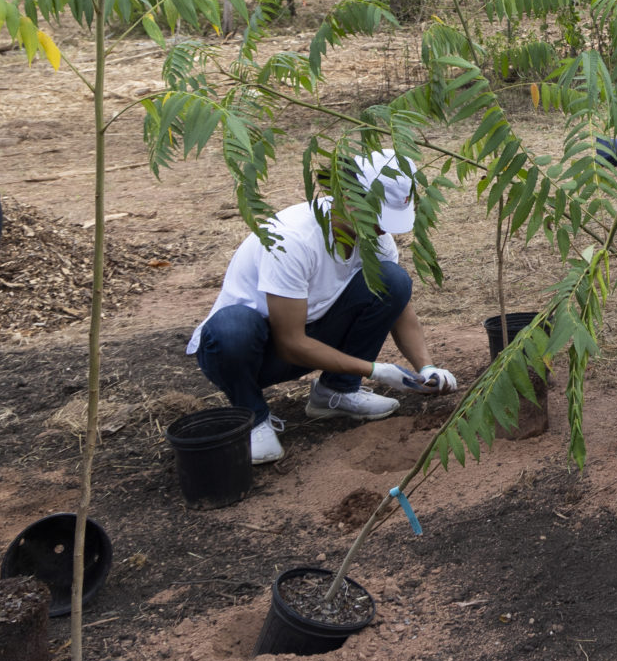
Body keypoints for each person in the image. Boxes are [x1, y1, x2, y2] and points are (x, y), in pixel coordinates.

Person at [186, 151, 459, 464]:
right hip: (250, 353)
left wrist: (426, 367)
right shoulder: (292, 240)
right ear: (346, 197)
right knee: (233, 327)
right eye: (378, 217)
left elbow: (399, 307)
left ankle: (336, 393)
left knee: (393, 280)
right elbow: (290, 344)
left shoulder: (375, 238)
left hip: (312, 335)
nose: (384, 230)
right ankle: (253, 417)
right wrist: (376, 371)